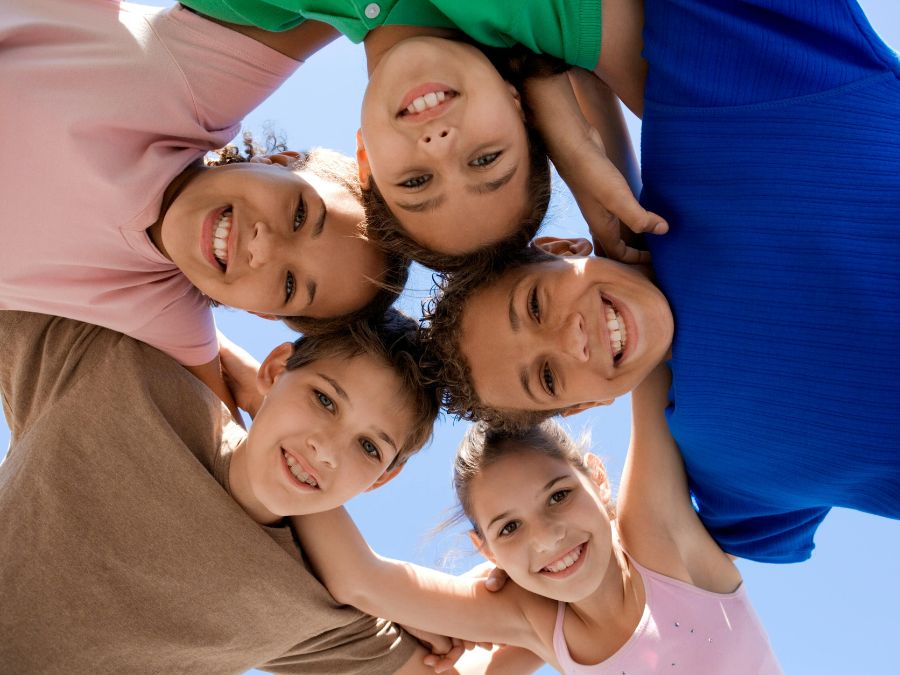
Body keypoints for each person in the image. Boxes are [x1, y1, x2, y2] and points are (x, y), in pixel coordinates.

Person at [426, 0, 900, 563]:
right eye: (549, 377)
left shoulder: (715, 119)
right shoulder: (724, 470)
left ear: (562, 249)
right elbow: (679, 561)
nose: (570, 338)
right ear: (582, 407)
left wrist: (569, 124)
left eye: (534, 306)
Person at [0, 306, 546, 673]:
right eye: (325, 400)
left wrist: (482, 599)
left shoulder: (320, 608)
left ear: (383, 479)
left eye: (369, 448)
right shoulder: (129, 369)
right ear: (276, 367)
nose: (327, 449)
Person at [0, 0, 408, 413]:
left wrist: (254, 387)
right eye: (301, 214)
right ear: (279, 161)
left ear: (262, 313)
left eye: (288, 285)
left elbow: (221, 449)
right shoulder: (192, 83)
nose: (262, 248)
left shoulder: (159, 308)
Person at [293, 367, 783, 673]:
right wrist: (290, 446)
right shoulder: (531, 621)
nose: (547, 537)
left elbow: (651, 368)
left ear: (598, 479)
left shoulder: (660, 546)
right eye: (508, 528)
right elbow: (360, 579)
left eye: (558, 496)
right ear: (486, 550)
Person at [177, 0, 665, 269]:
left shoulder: (254, 7)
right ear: (522, 112)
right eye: (485, 159)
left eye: (415, 183)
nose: (440, 147)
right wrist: (579, 145)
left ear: (366, 160)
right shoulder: (566, 18)